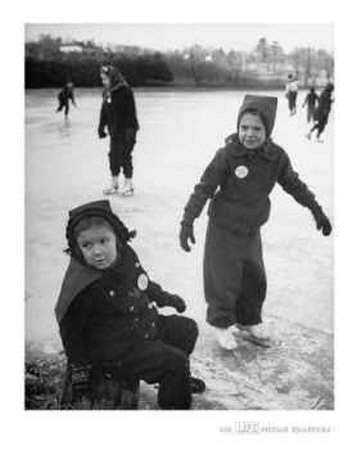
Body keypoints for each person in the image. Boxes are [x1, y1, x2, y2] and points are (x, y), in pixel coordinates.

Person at [179, 95, 332, 351]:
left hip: (251, 228)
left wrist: (316, 209)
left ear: (268, 130)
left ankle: (248, 320)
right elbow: (204, 188)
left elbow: (294, 185)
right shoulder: (227, 155)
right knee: (223, 278)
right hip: (224, 228)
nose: (249, 134)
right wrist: (187, 221)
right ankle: (220, 323)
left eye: (256, 129)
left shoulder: (276, 158)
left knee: (253, 277)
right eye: (244, 128)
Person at [55, 200, 205, 409]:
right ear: (77, 249)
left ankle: (176, 381)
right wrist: (81, 369)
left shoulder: (125, 256)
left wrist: (167, 299)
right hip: (116, 350)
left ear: (117, 237)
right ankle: (174, 403)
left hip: (141, 326)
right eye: (87, 245)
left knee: (186, 328)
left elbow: (142, 283)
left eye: (103, 241)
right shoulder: (83, 284)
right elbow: (70, 329)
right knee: (175, 362)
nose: (97, 251)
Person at [98, 65, 139, 196]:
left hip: (127, 129)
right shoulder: (106, 92)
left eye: (106, 79)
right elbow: (104, 111)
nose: (104, 82)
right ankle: (114, 183)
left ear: (113, 78)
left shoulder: (125, 91)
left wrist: (130, 131)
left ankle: (128, 185)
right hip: (114, 130)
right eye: (102, 79)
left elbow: (130, 113)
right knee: (113, 156)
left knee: (124, 156)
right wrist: (101, 127)